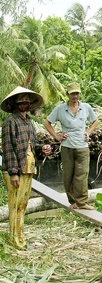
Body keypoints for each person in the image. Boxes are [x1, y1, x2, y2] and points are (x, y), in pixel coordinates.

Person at [1, 86, 51, 248]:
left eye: (27, 102)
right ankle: (14, 241)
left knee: (22, 205)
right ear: (14, 104)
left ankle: (20, 238)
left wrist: (42, 149)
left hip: (28, 168)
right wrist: (13, 172)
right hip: (16, 171)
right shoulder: (10, 122)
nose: (24, 105)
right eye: (21, 102)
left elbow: (33, 145)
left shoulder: (29, 122)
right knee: (15, 206)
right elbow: (8, 148)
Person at [43, 82, 99, 210]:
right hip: (67, 146)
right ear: (67, 94)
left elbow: (96, 121)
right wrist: (56, 137)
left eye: (77, 93)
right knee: (68, 174)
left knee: (82, 174)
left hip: (82, 146)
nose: (75, 96)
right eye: (73, 93)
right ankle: (72, 201)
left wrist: (88, 132)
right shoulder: (60, 109)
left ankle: (82, 202)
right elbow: (47, 123)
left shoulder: (86, 107)